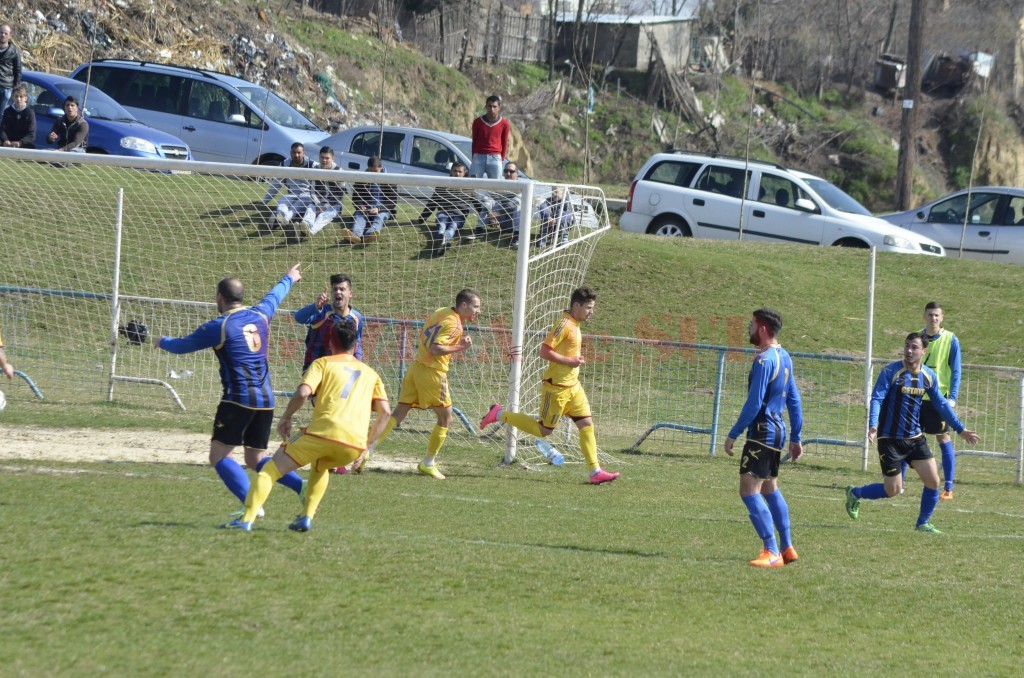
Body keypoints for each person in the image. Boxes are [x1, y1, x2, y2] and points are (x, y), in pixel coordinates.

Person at [152, 264, 308, 521]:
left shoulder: (220, 325)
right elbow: (274, 296)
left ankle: (252, 505)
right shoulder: (261, 314)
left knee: (219, 456)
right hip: (266, 400)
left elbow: (181, 346)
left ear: (219, 297)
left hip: (238, 399)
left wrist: (161, 341)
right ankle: (301, 486)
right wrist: (290, 278)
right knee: (255, 458)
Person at [222, 320, 391, 532]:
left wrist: (286, 417)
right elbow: (385, 412)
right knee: (321, 466)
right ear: (355, 345)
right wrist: (367, 446)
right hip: (353, 445)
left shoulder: (323, 363)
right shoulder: (372, 374)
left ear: (331, 343)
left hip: (322, 433)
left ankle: (246, 519)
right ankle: (306, 517)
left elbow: (303, 393)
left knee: (269, 470)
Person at [479, 286, 620, 485]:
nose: (591, 312)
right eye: (588, 308)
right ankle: (499, 413)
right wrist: (569, 361)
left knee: (587, 424)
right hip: (556, 389)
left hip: (573, 387)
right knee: (543, 431)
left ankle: (595, 471)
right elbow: (544, 351)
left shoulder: (575, 324)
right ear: (576, 306)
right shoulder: (564, 324)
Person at [844, 332, 981, 534]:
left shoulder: (928, 376)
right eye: (907, 346)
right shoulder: (891, 371)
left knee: (933, 481)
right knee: (893, 490)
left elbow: (941, 404)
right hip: (890, 440)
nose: (909, 350)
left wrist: (961, 429)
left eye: (914, 347)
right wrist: (873, 424)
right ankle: (855, 493)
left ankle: (923, 524)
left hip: (915, 438)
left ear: (924, 351)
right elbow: (877, 398)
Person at [723, 309, 803, 568]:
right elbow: (794, 400)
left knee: (749, 490)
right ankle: (787, 547)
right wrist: (796, 436)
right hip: (778, 432)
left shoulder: (763, 361)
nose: (749, 328)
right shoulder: (785, 357)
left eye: (752, 324)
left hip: (761, 432)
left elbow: (754, 403)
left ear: (763, 329)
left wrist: (733, 433)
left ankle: (771, 550)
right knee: (769, 488)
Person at [372, 289, 481, 479]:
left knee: (399, 413)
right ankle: (428, 463)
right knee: (446, 418)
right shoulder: (455, 325)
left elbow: (426, 337)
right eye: (476, 307)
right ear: (463, 305)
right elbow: (435, 348)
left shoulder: (441, 312)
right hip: (433, 373)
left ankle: (368, 449)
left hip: (416, 368)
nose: (478, 311)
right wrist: (460, 346)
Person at [919, 301, 962, 500]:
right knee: (907, 438)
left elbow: (956, 371)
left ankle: (948, 487)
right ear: (924, 316)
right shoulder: (917, 337)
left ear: (942, 317)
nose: (933, 318)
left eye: (936, 315)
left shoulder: (950, 339)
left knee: (943, 438)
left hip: (938, 398)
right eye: (930, 314)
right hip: (916, 396)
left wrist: (952, 397)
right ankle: (899, 483)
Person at [294, 273, 364, 370]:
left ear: (350, 294)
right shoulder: (321, 312)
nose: (338, 292)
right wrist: (316, 306)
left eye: (342, 289)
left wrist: (358, 364)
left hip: (341, 371)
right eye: (335, 289)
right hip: (316, 369)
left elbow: (357, 343)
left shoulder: (357, 318)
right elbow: (299, 317)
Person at [261, 142, 318, 243]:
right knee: (282, 200)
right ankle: (279, 214)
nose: (296, 155)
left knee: (297, 205)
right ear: (290, 153)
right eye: (294, 152)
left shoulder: (312, 165)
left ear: (304, 153)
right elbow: (276, 184)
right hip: (291, 194)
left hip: (306, 196)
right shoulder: (284, 164)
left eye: (299, 152)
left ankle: (285, 218)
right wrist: (264, 202)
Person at [429, 161, 478, 253]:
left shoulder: (469, 187)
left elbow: (477, 204)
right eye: (455, 171)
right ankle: (442, 243)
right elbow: (432, 203)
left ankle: (441, 242)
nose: (457, 174)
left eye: (460, 172)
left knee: (452, 227)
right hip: (444, 212)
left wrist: (486, 219)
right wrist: (421, 219)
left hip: (459, 215)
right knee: (441, 225)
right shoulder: (443, 185)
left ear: (464, 173)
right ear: (451, 171)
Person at [341, 156, 391, 245]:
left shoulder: (390, 179)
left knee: (379, 218)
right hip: (366, 209)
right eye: (370, 171)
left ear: (381, 167)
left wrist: (379, 209)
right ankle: (355, 235)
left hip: (382, 210)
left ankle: (370, 235)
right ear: (368, 168)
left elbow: (392, 202)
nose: (373, 174)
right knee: (359, 216)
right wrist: (361, 206)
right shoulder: (361, 179)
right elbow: (355, 199)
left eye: (375, 171)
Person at [306, 145, 346, 236]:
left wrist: (325, 206)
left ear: (333, 159)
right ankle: (306, 225)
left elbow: (339, 194)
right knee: (310, 208)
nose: (324, 160)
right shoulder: (315, 170)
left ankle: (311, 231)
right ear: (319, 157)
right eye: (322, 157)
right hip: (318, 203)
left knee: (322, 216)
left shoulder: (339, 171)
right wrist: (318, 204)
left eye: (327, 158)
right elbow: (312, 191)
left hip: (334, 205)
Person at [470, 94, 510, 180]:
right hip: (478, 156)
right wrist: (474, 156)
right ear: (486, 107)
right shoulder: (477, 122)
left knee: (496, 185)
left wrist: (502, 159)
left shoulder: (504, 124)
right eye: (489, 106)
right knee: (472, 183)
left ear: (499, 107)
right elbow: (474, 140)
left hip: (495, 157)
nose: (492, 109)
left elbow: (504, 142)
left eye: (494, 106)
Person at [484, 162, 522, 246]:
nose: (508, 174)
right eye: (506, 171)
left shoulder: (522, 186)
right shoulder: (500, 185)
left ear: (517, 173)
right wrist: (490, 213)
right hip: (502, 222)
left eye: (511, 171)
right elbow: (488, 196)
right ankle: (479, 230)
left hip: (515, 222)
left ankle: (517, 236)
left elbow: (515, 202)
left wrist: (498, 213)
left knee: (519, 206)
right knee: (489, 201)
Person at [0, 24, 22, 115]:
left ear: (10, 36)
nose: (3, 35)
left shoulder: (14, 51)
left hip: (6, 88)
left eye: (5, 33)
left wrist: (16, 88)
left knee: (2, 115)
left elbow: (18, 70)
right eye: (1, 32)